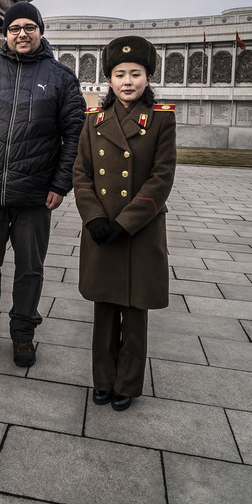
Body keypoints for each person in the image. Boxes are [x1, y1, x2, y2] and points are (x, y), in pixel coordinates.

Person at [0, 1, 86, 366]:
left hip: (34, 194)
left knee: (30, 268)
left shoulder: (60, 77)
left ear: (40, 31)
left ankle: (23, 334)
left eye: (29, 27)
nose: (22, 34)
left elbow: (74, 134)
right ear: (6, 34)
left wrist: (61, 184)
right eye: (15, 28)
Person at [73, 36, 177, 410]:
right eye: (120, 74)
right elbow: (82, 173)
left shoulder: (162, 118)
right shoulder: (93, 120)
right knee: (103, 308)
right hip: (101, 230)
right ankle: (102, 380)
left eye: (136, 73)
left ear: (148, 77)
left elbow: (161, 178)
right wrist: (95, 218)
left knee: (135, 311)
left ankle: (128, 384)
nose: (128, 81)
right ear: (109, 80)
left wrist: (126, 221)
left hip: (140, 231)